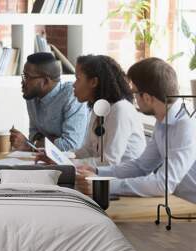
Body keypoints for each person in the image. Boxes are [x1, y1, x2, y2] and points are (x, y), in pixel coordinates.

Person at [76, 57, 196, 202]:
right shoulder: (163, 119)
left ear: (146, 97)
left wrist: (103, 184)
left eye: (134, 93)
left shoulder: (186, 124)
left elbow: (162, 185)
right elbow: (141, 166)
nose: (133, 99)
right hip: (180, 203)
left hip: (188, 208)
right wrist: (97, 172)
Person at [36, 55, 146, 167]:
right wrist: (56, 156)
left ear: (93, 82)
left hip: (125, 180)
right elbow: (88, 150)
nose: (74, 84)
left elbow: (110, 161)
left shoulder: (120, 110)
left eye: (78, 79)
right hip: (107, 177)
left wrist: (66, 162)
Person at [10, 52, 88, 152]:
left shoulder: (72, 96)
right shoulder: (32, 96)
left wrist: (32, 145)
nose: (22, 82)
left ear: (45, 81)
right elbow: (34, 134)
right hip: (47, 159)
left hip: (76, 162)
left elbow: (71, 145)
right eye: (23, 76)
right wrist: (52, 140)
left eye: (27, 77)